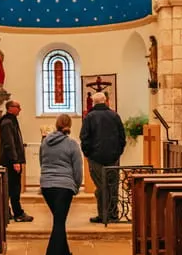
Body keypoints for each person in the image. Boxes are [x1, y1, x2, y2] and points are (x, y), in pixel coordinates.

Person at [39, 113, 83, 255]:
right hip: (64, 187)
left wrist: (45, 178)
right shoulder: (72, 144)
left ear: (56, 124)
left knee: (59, 220)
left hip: (46, 186)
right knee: (59, 222)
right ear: (69, 125)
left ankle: (65, 252)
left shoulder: (45, 142)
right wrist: (76, 186)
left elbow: (41, 162)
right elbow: (78, 168)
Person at [79, 91, 126, 223]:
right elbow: (122, 137)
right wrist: (118, 153)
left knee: (101, 187)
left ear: (93, 103)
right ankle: (113, 214)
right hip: (113, 157)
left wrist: (88, 154)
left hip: (96, 158)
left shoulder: (89, 117)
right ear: (105, 101)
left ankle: (103, 215)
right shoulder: (114, 116)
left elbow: (84, 137)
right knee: (113, 186)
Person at [0, 100, 33, 222]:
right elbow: (9, 143)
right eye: (18, 107)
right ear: (10, 108)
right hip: (11, 161)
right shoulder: (7, 122)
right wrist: (15, 161)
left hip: (12, 160)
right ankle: (18, 214)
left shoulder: (10, 121)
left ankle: (7, 212)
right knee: (14, 188)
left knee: (11, 188)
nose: (20, 109)